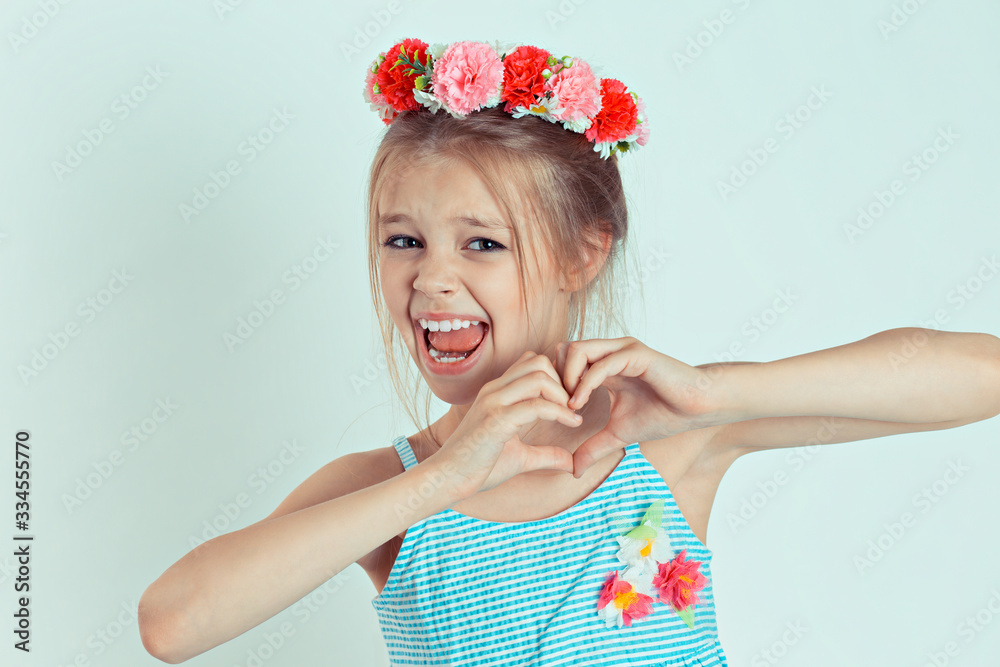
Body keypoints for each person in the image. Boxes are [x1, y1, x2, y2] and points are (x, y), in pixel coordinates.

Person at [137, 38, 1000, 666]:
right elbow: (172, 623)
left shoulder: (662, 443)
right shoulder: (388, 492)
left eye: (482, 245)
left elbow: (978, 375)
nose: (432, 281)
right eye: (403, 241)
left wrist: (711, 389)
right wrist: (444, 477)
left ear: (583, 254)